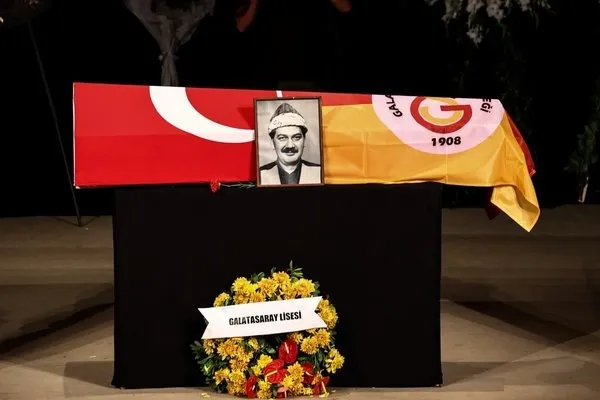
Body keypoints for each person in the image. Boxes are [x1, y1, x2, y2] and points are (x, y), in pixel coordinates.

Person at [259, 102, 321, 185]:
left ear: (304, 140)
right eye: (282, 138)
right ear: (273, 142)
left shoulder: (319, 172)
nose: (290, 145)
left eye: (296, 137)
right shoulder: (260, 175)